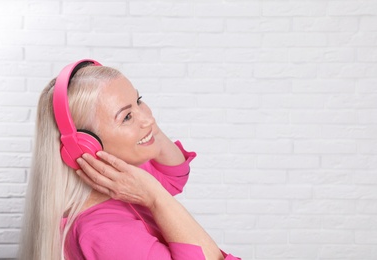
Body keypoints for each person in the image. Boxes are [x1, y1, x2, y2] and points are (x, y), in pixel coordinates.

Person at [18, 59, 240, 260]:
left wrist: (149, 128)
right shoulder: (105, 234)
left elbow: (175, 176)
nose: (148, 118)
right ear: (86, 145)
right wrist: (154, 197)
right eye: (126, 116)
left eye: (139, 100)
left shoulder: (124, 180)